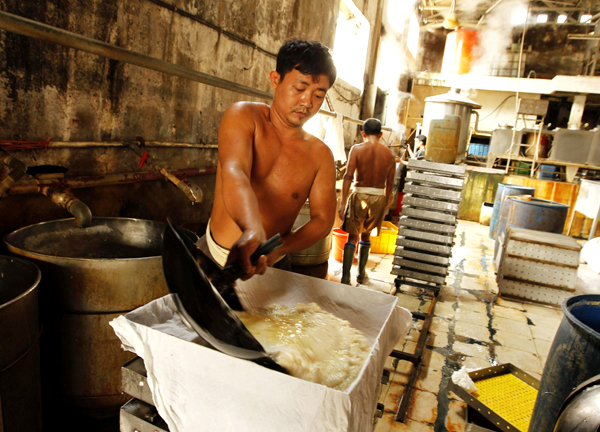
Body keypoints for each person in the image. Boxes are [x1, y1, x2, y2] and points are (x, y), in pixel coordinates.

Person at [200, 40, 338, 280]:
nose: (307, 102)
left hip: (272, 268)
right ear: (276, 80)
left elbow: (323, 220)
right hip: (214, 258)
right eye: (300, 88)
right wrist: (252, 229)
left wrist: (279, 248)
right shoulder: (244, 116)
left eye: (318, 95)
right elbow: (235, 171)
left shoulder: (321, 156)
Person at [338, 118, 396, 285]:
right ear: (381, 134)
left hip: (359, 195)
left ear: (363, 133)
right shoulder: (390, 154)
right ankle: (361, 274)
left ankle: (346, 276)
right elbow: (390, 183)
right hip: (378, 197)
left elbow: (348, 176)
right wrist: (387, 203)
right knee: (367, 234)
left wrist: (343, 203)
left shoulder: (356, 149)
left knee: (352, 236)